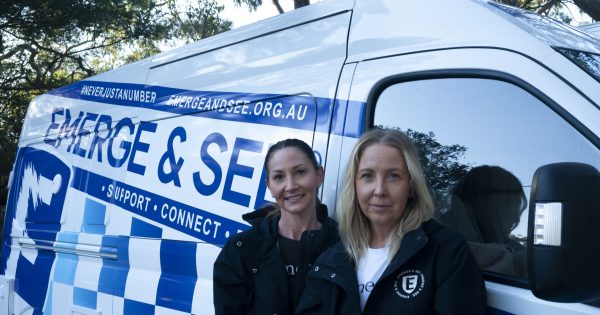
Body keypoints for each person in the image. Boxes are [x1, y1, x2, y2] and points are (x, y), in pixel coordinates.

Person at [295, 129, 486, 315]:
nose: (379, 190)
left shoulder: (447, 253)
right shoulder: (332, 259)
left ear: (411, 187)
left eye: (393, 176)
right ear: (355, 185)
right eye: (367, 176)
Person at [213, 138, 339, 315]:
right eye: (279, 177)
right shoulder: (240, 251)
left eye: (300, 172)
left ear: (319, 175)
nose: (291, 186)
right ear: (269, 186)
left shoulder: (343, 248)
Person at [440, 165, 527, 278]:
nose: (516, 219)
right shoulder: (444, 248)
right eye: (510, 208)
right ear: (483, 207)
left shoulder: (513, 248)